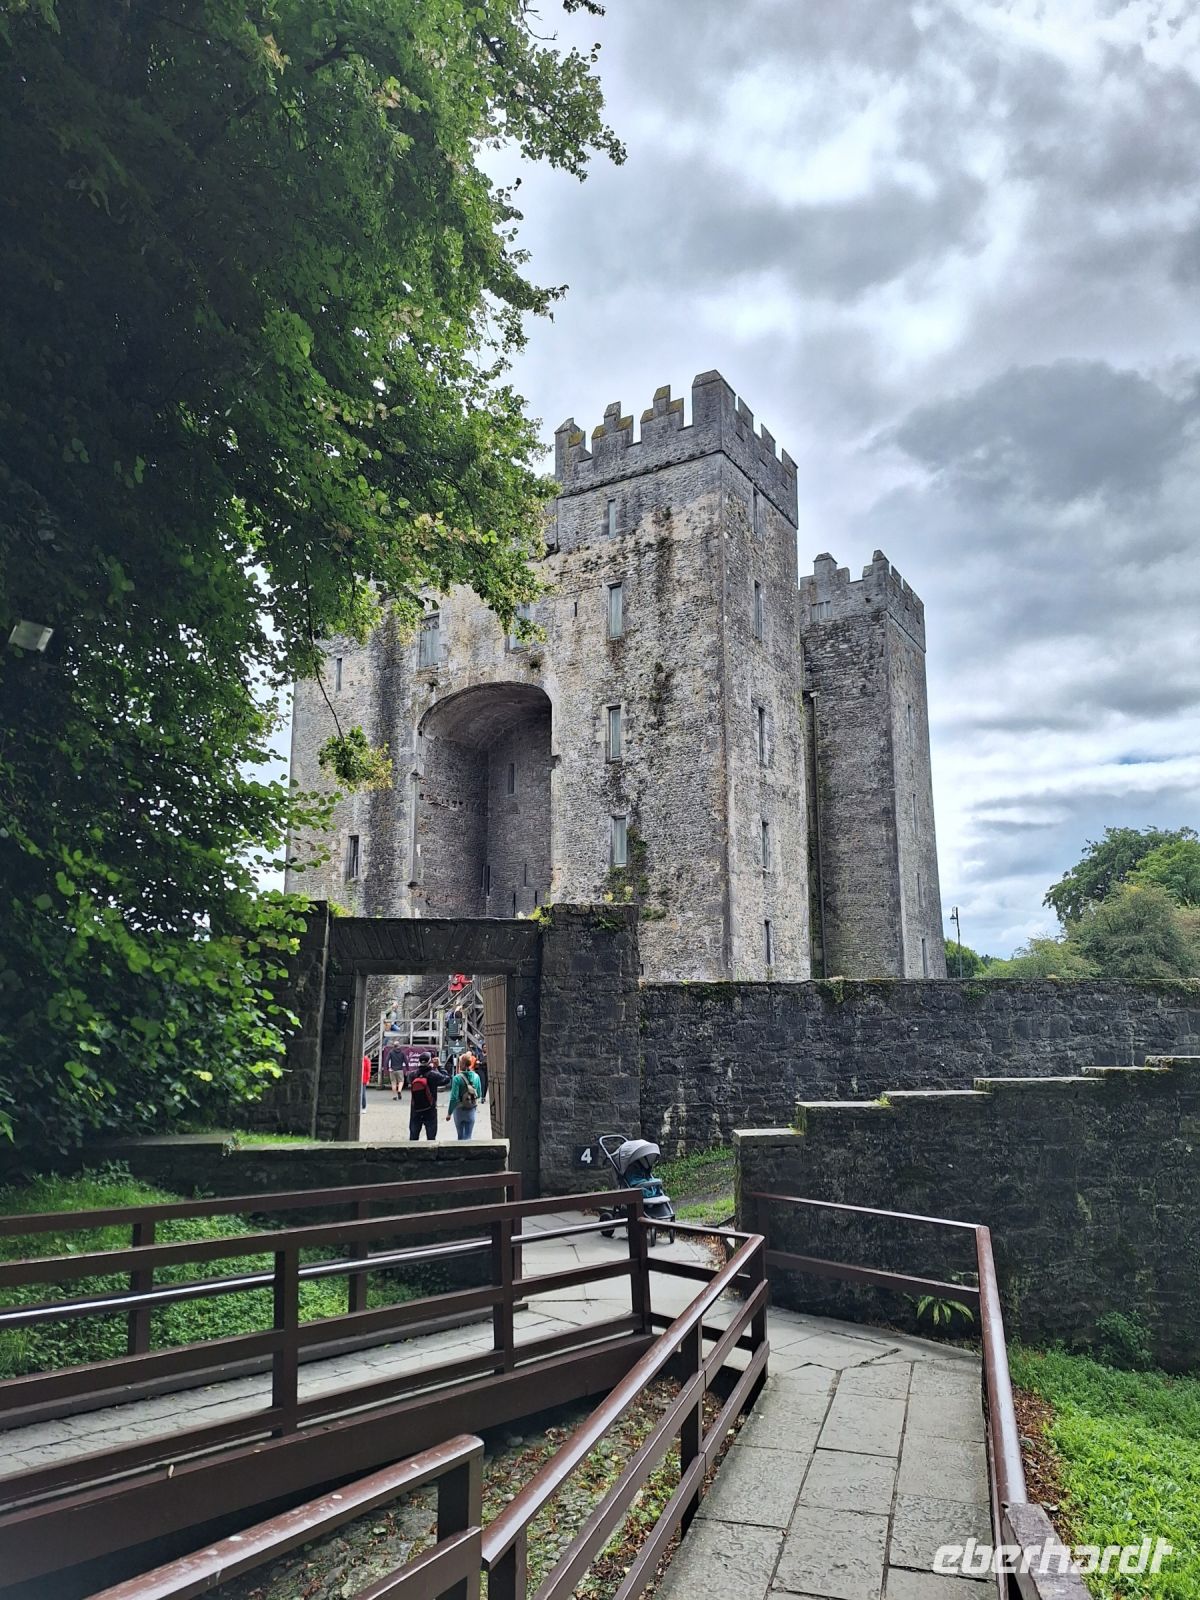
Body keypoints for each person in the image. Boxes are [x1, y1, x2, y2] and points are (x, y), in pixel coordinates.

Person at [408, 1052, 448, 1141]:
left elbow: (409, 1079)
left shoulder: (412, 1075)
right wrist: (439, 1066)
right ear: (430, 1061)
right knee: (431, 1137)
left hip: (415, 1109)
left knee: (413, 1137)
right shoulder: (433, 1075)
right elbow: (446, 1079)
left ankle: (412, 1153)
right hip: (430, 1109)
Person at [446, 1051, 482, 1140]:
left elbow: (454, 1098)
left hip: (459, 1110)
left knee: (460, 1136)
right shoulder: (476, 1076)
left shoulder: (457, 1078)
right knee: (468, 1136)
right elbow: (479, 1094)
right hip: (471, 1109)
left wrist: (449, 1113)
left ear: (461, 1064)